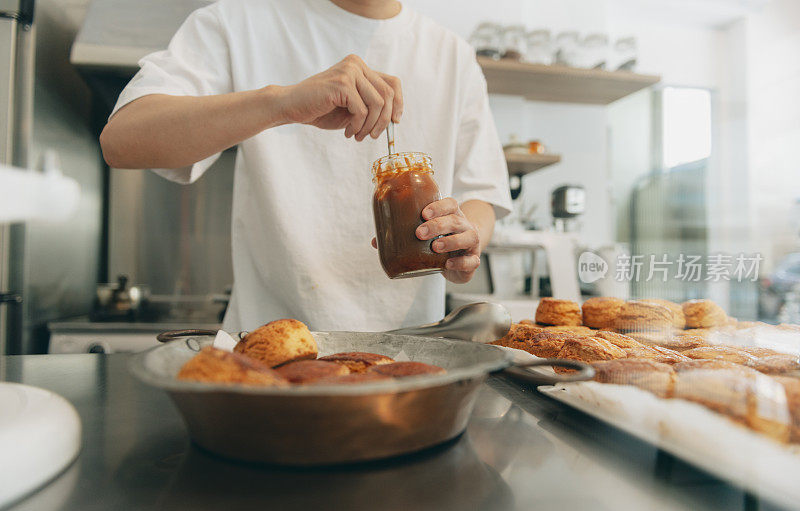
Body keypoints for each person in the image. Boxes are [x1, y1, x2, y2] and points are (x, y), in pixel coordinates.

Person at [99, 0, 512, 332]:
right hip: (270, 348)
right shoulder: (238, 21)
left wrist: (462, 240)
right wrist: (280, 103)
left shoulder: (452, 54)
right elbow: (122, 140)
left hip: (415, 349)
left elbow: (482, 195)